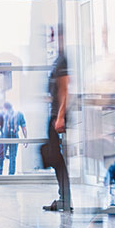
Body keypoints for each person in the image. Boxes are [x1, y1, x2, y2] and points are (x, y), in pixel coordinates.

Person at [42, 28, 71, 212]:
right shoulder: (57, 61)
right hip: (54, 113)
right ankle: (63, 198)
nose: (51, 40)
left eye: (53, 36)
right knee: (55, 157)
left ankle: (65, 199)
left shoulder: (62, 61)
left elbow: (65, 90)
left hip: (57, 116)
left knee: (56, 157)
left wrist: (60, 117)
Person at [0, 101, 26, 175]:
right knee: (12, 157)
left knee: (0, 156)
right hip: (14, 137)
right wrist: (25, 139)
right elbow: (24, 127)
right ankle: (11, 175)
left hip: (3, 137)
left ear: (4, 107)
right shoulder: (19, 114)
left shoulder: (2, 113)